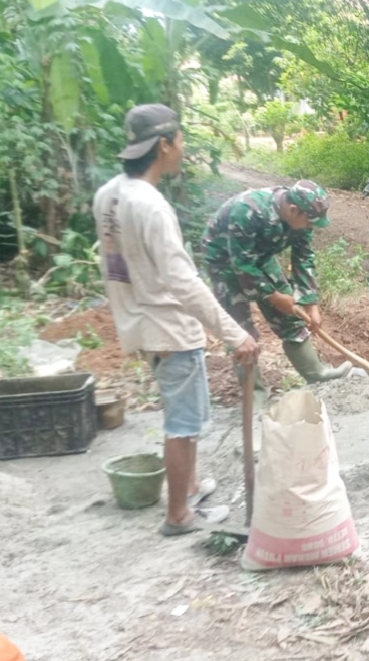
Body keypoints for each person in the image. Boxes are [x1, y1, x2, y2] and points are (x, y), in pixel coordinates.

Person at [93, 104, 257, 536]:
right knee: (183, 425)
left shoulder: (108, 194)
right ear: (164, 145)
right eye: (181, 140)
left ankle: (194, 485)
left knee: (179, 414)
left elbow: (112, 265)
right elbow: (182, 280)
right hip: (168, 327)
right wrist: (234, 332)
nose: (183, 148)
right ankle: (179, 514)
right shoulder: (151, 206)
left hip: (139, 322)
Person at [202, 180, 350, 404]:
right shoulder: (249, 210)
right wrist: (272, 296)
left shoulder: (302, 218)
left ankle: (316, 373)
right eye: (309, 222)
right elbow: (241, 264)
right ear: (293, 210)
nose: (311, 227)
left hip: (261, 257)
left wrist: (311, 305)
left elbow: (303, 258)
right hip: (225, 261)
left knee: (290, 317)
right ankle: (255, 395)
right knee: (241, 331)